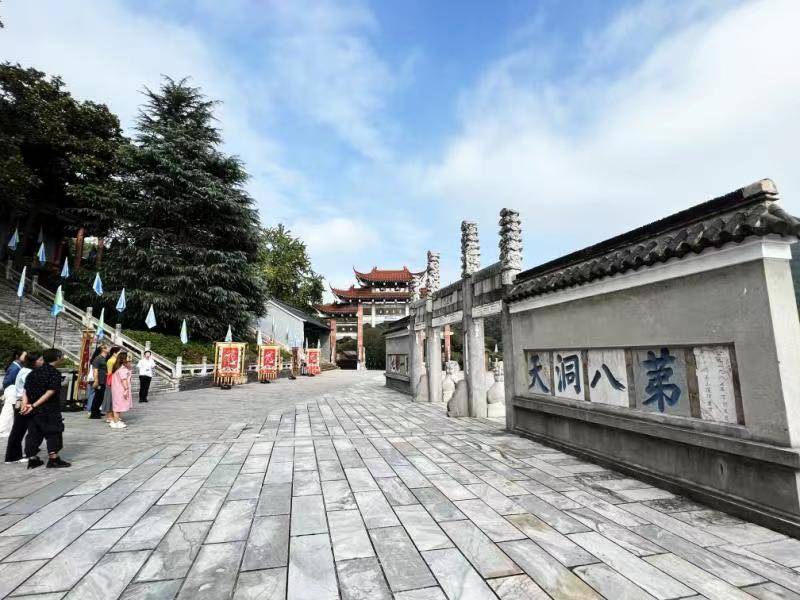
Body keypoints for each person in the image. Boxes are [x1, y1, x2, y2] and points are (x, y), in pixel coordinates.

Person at [21, 348, 70, 469]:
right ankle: (53, 459)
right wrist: (34, 405)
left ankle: (32, 459)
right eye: (62, 356)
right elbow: (50, 392)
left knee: (33, 433)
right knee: (53, 432)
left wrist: (26, 405)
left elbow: (25, 390)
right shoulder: (54, 373)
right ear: (57, 358)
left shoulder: (33, 372)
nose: (63, 358)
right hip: (49, 408)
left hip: (33, 409)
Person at [4, 353, 43, 463]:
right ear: (34, 361)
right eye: (40, 360)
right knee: (18, 430)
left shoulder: (26, 370)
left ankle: (16, 455)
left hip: (22, 402)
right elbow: (30, 388)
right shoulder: (27, 372)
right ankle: (13, 456)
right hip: (23, 403)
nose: (42, 362)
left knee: (20, 430)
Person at [109, 351, 132, 429]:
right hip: (120, 389)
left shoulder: (117, 367)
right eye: (127, 357)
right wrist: (126, 388)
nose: (129, 358)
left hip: (116, 389)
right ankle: (116, 422)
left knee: (118, 405)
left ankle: (116, 420)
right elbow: (124, 380)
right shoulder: (122, 369)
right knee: (118, 406)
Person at [99, 346, 120, 421]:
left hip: (116, 381)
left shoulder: (117, 360)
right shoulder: (111, 361)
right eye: (119, 352)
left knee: (114, 399)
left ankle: (114, 415)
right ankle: (109, 416)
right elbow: (110, 372)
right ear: (114, 353)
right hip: (111, 381)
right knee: (109, 398)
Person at [89, 345, 109, 420]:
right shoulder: (98, 358)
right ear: (103, 349)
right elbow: (95, 370)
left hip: (104, 380)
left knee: (101, 397)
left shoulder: (105, 358)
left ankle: (97, 410)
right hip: (99, 380)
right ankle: (94, 413)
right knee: (97, 396)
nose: (109, 348)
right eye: (107, 347)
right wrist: (96, 380)